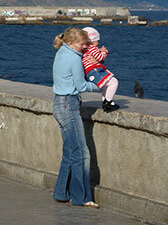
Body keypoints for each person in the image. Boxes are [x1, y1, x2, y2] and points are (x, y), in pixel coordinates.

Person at [51, 27, 100, 208]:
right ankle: (82, 198)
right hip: (69, 105)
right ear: (71, 43)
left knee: (69, 151)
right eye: (81, 44)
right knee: (81, 153)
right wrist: (100, 85)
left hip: (59, 103)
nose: (83, 47)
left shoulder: (61, 53)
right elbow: (80, 85)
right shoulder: (73, 57)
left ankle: (62, 192)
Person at [81, 27, 120, 112]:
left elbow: (91, 54)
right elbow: (100, 57)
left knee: (106, 85)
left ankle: (105, 102)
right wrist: (105, 52)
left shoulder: (84, 49)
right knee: (114, 82)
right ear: (92, 41)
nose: (98, 42)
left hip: (89, 73)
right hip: (95, 71)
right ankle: (108, 102)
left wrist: (98, 50)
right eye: (97, 40)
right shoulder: (92, 48)